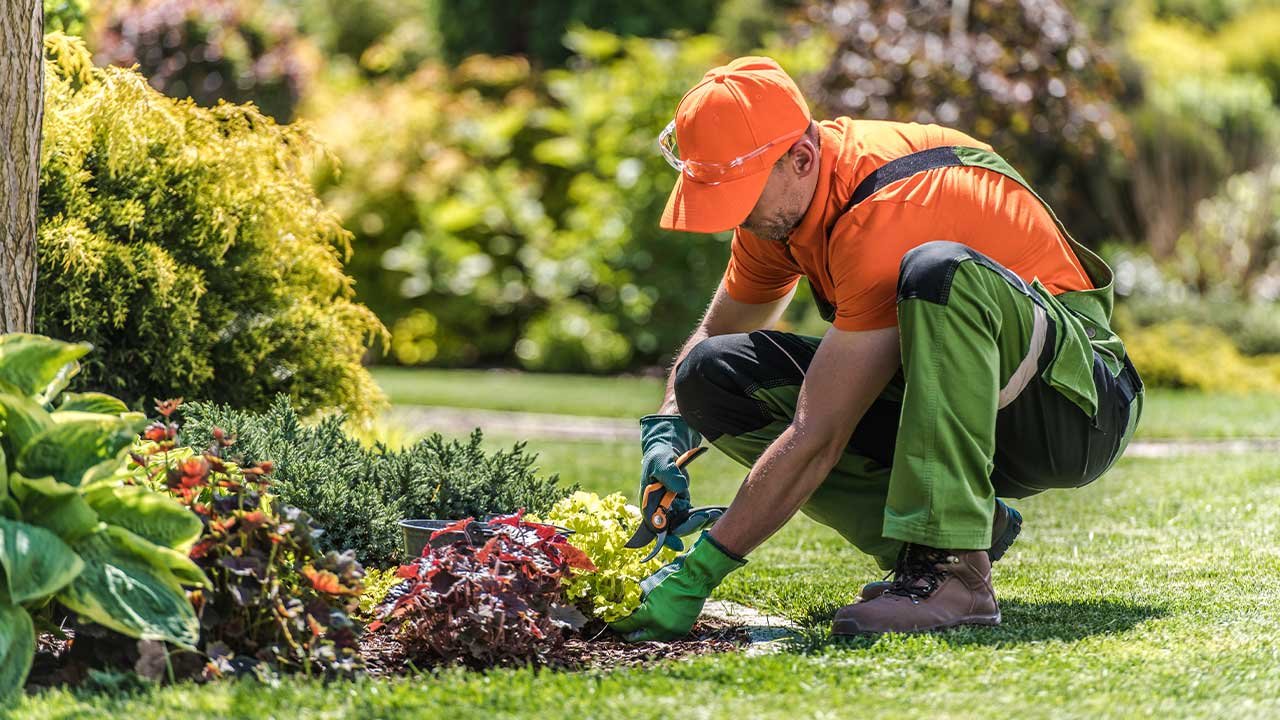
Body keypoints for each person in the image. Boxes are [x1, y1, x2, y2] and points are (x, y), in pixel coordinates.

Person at [608, 57, 1144, 641]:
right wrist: (668, 429)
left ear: (801, 159)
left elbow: (819, 432)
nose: (732, 219)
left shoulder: (888, 208)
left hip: (1074, 410)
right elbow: (713, 337)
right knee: (708, 374)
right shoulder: (780, 214)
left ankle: (953, 570)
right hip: (969, 405)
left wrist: (700, 571)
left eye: (739, 197)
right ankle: (943, 544)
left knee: (940, 271)